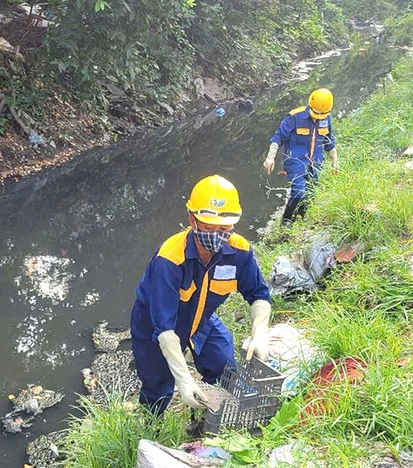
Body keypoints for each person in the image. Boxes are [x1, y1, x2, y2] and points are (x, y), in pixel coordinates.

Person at [130, 174, 272, 415]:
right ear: (192, 220)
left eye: (223, 228)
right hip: (155, 326)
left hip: (201, 318)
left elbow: (259, 294)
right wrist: (184, 379)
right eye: (208, 227)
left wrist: (260, 333)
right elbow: (164, 329)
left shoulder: (239, 252)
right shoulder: (170, 259)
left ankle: (209, 414)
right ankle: (151, 424)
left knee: (224, 364)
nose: (216, 235)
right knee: (157, 385)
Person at [263, 88, 339, 224]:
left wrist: (335, 160)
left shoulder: (326, 118)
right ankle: (286, 220)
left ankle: (300, 217)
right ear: (310, 105)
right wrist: (270, 157)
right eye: (315, 113)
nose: (317, 117)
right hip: (295, 162)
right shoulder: (294, 117)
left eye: (321, 115)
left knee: (310, 194)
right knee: (298, 192)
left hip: (315, 163)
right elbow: (278, 137)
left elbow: (329, 140)